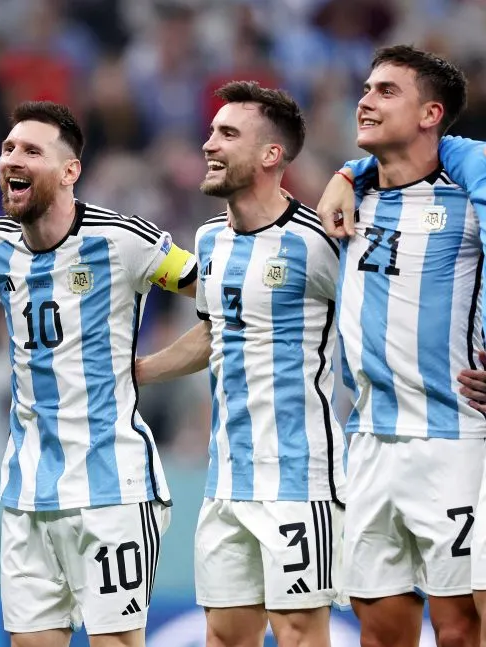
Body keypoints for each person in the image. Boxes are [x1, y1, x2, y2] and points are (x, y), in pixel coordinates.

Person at [0, 101, 195, 647]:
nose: (12, 157)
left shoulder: (125, 240)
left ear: (69, 171)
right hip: (26, 492)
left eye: (31, 150)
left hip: (113, 488)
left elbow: (222, 303)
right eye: (8, 148)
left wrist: (150, 368)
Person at [135, 82, 345, 647]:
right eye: (211, 131)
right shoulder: (209, 240)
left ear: (270, 155)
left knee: (300, 632)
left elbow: (374, 319)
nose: (209, 144)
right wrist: (143, 371)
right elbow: (217, 329)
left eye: (227, 134)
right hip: (226, 476)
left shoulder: (320, 241)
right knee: (225, 636)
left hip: (301, 475)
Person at [314, 45, 485, 647]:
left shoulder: (467, 198)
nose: (365, 99)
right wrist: (344, 173)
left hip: (455, 440)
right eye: (366, 88)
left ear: (430, 114)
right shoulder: (349, 203)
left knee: (461, 630)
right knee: (380, 628)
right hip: (368, 444)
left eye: (387, 91)